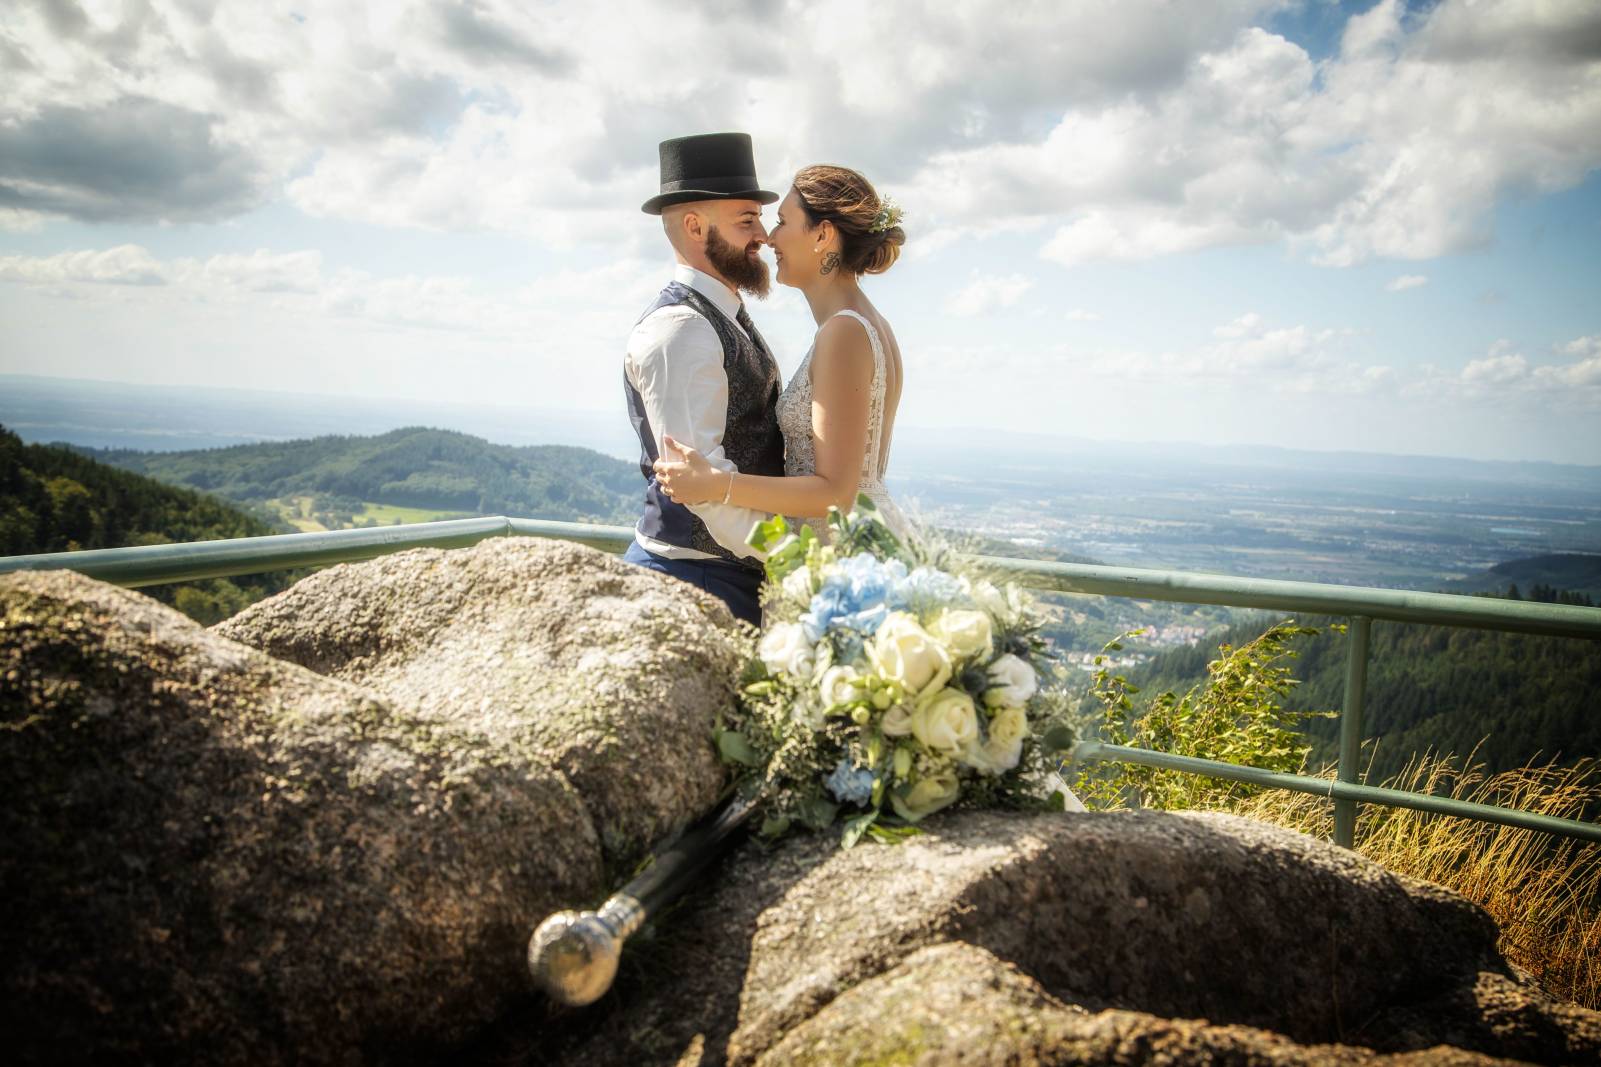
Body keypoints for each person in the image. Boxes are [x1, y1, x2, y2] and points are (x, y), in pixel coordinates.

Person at [654, 164, 910, 544]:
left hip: (841, 548)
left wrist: (716, 485)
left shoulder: (844, 332)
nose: (770, 239)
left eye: (782, 222)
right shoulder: (867, 324)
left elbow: (835, 493)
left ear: (822, 234)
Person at [621, 132, 785, 627]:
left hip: (725, 575)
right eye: (747, 220)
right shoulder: (682, 329)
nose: (764, 235)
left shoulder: (720, 314)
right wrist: (792, 557)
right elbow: (701, 485)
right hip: (696, 583)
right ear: (695, 226)